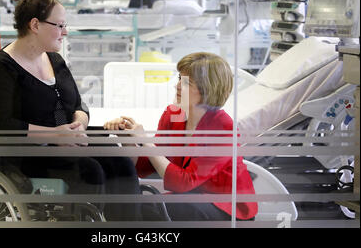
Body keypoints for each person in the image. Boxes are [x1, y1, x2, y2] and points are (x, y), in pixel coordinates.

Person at [0, 0, 141, 221]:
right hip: (26, 156)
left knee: (121, 163)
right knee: (90, 171)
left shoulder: (55, 60)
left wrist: (78, 125)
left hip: (67, 143)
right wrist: (55, 134)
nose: (65, 32)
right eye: (60, 25)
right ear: (35, 25)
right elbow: (1, 126)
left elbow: (78, 104)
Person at [104, 52, 258, 221]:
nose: (177, 86)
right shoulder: (173, 115)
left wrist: (146, 142)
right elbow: (144, 167)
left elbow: (183, 182)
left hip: (226, 209)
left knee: (149, 210)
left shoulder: (223, 128)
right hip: (190, 199)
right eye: (179, 78)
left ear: (207, 89)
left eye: (187, 83)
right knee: (127, 206)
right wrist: (129, 139)